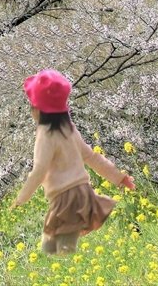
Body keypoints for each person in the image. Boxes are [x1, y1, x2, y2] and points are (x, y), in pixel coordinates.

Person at [11, 69, 135, 254]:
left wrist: (21, 198)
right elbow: (92, 157)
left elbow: (39, 170)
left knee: (55, 252)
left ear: (38, 110)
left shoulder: (46, 136)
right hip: (83, 193)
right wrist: (118, 177)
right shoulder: (69, 129)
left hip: (65, 198)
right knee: (63, 250)